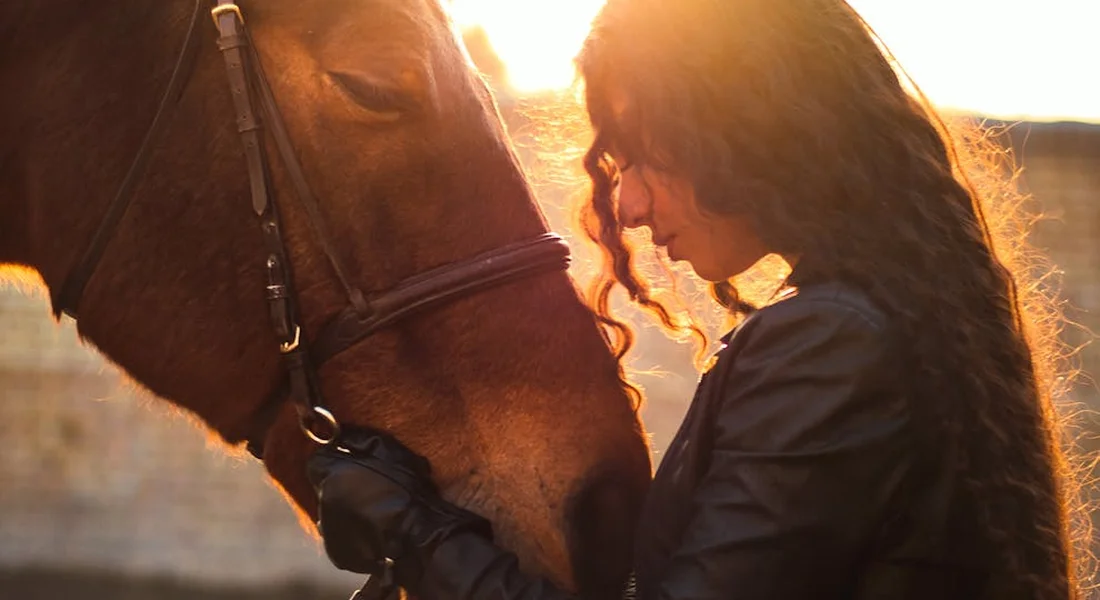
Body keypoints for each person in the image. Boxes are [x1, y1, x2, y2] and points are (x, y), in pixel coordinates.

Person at [306, 0, 1084, 598]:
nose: (629, 206)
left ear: (748, 126)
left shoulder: (833, 346)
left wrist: (410, 526)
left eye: (646, 155)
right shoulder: (872, 321)